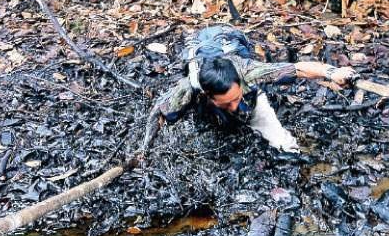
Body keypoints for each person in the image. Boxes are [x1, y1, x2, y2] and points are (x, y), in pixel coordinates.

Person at [140, 28, 357, 156]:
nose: (234, 105)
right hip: (203, 84)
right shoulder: (189, 89)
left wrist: (333, 72)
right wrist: (144, 150)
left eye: (236, 98)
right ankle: (216, 111)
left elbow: (299, 68)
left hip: (233, 50)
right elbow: (157, 113)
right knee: (201, 116)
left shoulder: (250, 72)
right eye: (227, 102)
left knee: (284, 145)